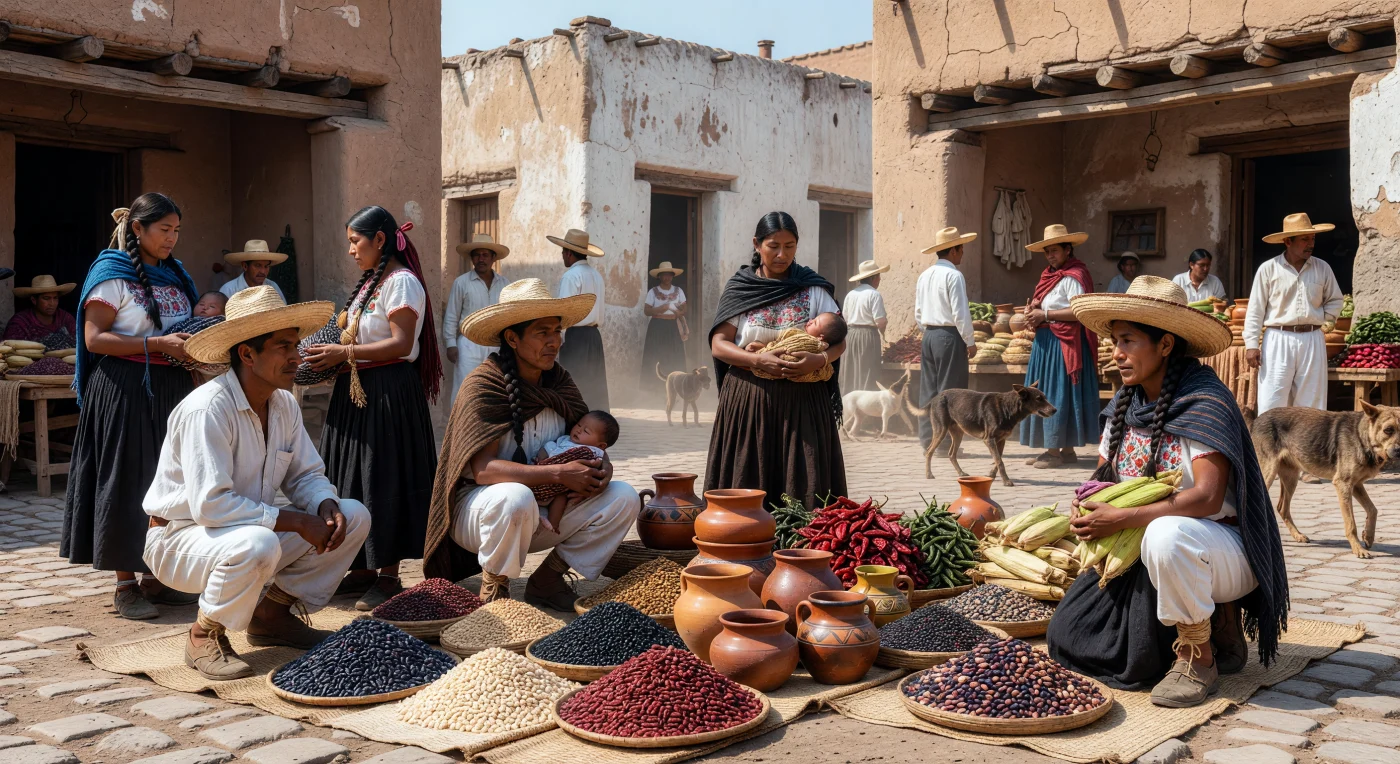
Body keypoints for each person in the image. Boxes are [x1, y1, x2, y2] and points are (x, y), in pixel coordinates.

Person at [1047, 275, 1288, 708]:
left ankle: (1200, 655)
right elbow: (1107, 478)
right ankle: (1213, 620)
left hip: (1220, 547)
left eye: (1128, 341)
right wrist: (1088, 500)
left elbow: (1208, 499)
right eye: (1114, 341)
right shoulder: (1126, 403)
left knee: (1168, 535)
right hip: (1155, 554)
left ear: (1165, 345)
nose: (1116, 353)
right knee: (1067, 635)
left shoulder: (1204, 402)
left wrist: (1120, 517)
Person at [141, 286, 371, 679]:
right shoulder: (208, 409)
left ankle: (270, 616)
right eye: (284, 347)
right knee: (259, 542)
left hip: (242, 532)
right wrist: (298, 521)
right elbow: (212, 506)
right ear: (247, 354)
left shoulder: (283, 404)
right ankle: (202, 635)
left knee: (353, 515)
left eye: (295, 345)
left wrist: (323, 505)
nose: (296, 357)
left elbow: (307, 474)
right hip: (181, 538)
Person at [422, 278, 640, 608]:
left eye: (557, 331)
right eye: (543, 332)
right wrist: (559, 475)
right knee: (515, 496)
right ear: (512, 337)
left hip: (548, 510)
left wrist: (600, 469)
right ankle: (496, 586)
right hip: (483, 511)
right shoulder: (484, 385)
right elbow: (483, 472)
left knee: (624, 496)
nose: (555, 341)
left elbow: (587, 440)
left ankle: (548, 579)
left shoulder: (560, 382)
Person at [63, 193, 202, 620]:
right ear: (138, 229)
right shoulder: (111, 275)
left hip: (172, 388)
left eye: (177, 230)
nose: (172, 239)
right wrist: (155, 343)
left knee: (172, 482)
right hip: (125, 389)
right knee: (129, 480)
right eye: (164, 230)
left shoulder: (175, 274)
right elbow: (94, 339)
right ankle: (125, 584)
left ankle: (156, 578)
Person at [302, 206, 442, 611]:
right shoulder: (369, 285)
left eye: (355, 241)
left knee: (383, 476)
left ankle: (388, 575)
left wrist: (344, 351)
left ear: (380, 240)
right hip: (357, 389)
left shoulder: (402, 283)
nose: (350, 250)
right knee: (351, 473)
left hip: (387, 393)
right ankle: (361, 568)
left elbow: (401, 344)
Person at [706, 212, 847, 510]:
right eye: (773, 246)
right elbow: (719, 344)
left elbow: (839, 341)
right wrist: (756, 360)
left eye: (790, 246)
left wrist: (819, 359)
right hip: (750, 401)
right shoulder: (740, 287)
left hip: (804, 404)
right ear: (757, 244)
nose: (782, 254)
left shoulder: (813, 288)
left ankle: (801, 548)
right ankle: (743, 541)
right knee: (749, 476)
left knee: (803, 478)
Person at [1245, 213, 1344, 413]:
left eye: (1313, 238)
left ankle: (1308, 445)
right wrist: (1252, 344)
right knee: (1272, 400)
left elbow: (1335, 300)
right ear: (1288, 241)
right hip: (1277, 339)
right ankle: (1269, 444)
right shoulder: (1268, 269)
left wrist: (1325, 320)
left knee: (1311, 404)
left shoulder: (1322, 268)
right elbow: (1255, 309)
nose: (1311, 244)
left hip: (1312, 339)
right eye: (1304, 239)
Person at [1020, 224, 1100, 468]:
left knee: (1056, 392)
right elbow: (1045, 307)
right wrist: (1032, 311)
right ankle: (1064, 450)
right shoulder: (1048, 276)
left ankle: (1054, 451)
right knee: (1046, 390)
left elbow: (1079, 309)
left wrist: (1044, 314)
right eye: (1047, 252)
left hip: (1063, 343)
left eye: (1054, 250)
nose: (1050, 256)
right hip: (1047, 342)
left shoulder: (1075, 275)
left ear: (1068, 249)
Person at [914, 227, 977, 451]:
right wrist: (969, 341)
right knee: (951, 392)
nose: (962, 254)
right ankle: (946, 444)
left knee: (929, 390)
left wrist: (928, 332)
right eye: (961, 249)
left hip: (929, 335)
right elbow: (961, 312)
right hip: (949, 336)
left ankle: (928, 440)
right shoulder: (954, 275)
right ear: (953, 251)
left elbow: (918, 312)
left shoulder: (924, 275)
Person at [443, 233, 512, 404]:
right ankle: (459, 428)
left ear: (493, 258)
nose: (481, 259)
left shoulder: (505, 284)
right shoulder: (462, 283)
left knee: (495, 389)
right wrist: (451, 344)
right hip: (468, 345)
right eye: (477, 255)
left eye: (485, 255)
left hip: (496, 345)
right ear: (472, 258)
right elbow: (452, 315)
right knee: (465, 388)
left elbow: (509, 316)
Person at [534, 410, 620, 535]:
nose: (579, 430)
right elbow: (548, 448)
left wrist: (604, 471)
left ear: (601, 445)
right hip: (545, 474)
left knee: (561, 498)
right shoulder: (564, 440)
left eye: (586, 431)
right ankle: (537, 516)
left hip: (567, 485)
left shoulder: (595, 452)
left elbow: (601, 466)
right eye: (579, 425)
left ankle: (553, 524)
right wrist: (542, 460)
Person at [553, 229, 610, 410]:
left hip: (576, 336)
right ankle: (596, 424)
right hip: (594, 336)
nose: (562, 255)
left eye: (563, 252)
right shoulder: (596, 276)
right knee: (594, 384)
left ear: (569, 253)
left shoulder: (571, 276)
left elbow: (564, 311)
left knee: (574, 383)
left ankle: (574, 423)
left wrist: (557, 338)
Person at [639, 261, 688, 398]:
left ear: (672, 276)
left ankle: (676, 388)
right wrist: (662, 308)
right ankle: (653, 390)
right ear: (659, 276)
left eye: (669, 275)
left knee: (674, 355)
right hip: (657, 326)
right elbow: (647, 311)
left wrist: (679, 313)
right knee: (655, 356)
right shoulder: (653, 292)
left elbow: (685, 308)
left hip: (672, 327)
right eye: (664, 275)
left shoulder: (679, 291)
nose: (667, 277)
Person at [840, 259, 889, 394]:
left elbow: (844, 318)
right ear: (874, 278)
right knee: (868, 369)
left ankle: (849, 404)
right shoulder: (874, 294)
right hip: (867, 335)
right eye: (878, 276)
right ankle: (866, 407)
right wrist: (883, 333)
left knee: (851, 370)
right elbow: (880, 321)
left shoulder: (851, 294)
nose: (879, 280)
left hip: (850, 335)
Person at [6, 275, 77, 343]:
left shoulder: (66, 319)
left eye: (55, 298)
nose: (52, 303)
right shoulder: (20, 323)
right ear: (34, 300)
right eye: (46, 298)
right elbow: (10, 349)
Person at [218, 240, 287, 301]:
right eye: (258, 266)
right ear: (245, 266)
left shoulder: (273, 287)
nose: (263, 271)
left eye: (266, 266)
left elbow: (284, 313)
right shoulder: (229, 290)